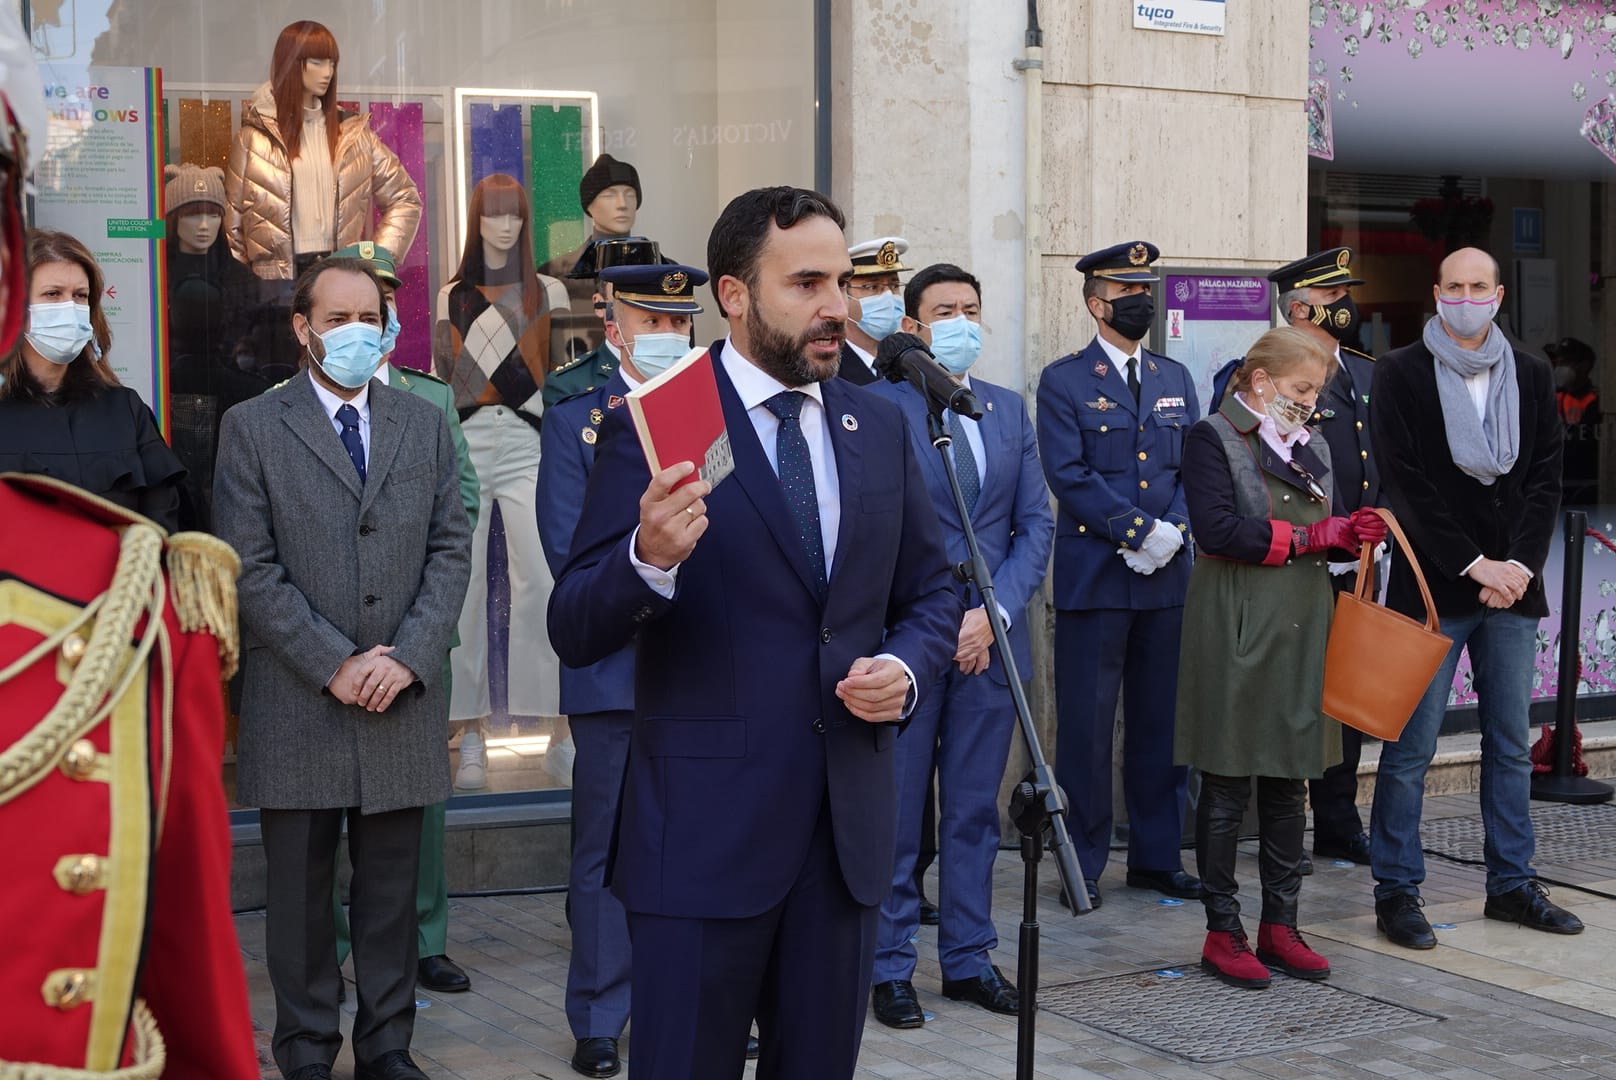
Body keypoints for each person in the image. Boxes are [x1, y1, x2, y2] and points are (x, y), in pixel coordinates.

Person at [548, 186, 957, 1080]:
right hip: (701, 843)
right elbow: (575, 624)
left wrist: (906, 666)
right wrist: (645, 559)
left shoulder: (877, 421)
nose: (836, 308)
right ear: (734, 295)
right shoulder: (664, 422)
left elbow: (932, 594)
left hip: (842, 841)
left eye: (840, 282)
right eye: (806, 283)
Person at [0, 14, 260, 1072]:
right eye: (46, 297)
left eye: (76, 299)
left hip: (116, 672)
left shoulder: (121, 411)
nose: (62, 312)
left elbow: (172, 522)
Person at [214, 257, 472, 1080]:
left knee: (392, 895)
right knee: (297, 900)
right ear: (302, 328)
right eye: (338, 318)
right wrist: (334, 663)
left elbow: (451, 547)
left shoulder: (422, 421)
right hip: (301, 696)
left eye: (371, 317)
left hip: (400, 690)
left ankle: (388, 1047)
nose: (357, 333)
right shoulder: (253, 427)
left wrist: (409, 656)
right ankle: (306, 1049)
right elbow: (249, 568)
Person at [1369, 246, 1581, 950]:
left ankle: (1512, 885)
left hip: (1512, 590)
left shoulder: (1532, 371)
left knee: (1511, 745)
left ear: (1497, 295)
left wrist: (1517, 563)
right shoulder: (1399, 372)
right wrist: (1475, 564)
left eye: (1478, 286)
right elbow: (1406, 484)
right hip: (1434, 586)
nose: (1466, 296)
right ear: (1437, 293)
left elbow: (1546, 476)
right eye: (1454, 286)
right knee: (1410, 748)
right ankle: (1398, 890)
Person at [865, 262, 1053, 1028]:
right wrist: (948, 620)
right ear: (912, 327)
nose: (961, 321)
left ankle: (969, 959)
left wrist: (995, 612)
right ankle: (888, 966)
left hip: (992, 646)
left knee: (974, 812)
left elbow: (1036, 523)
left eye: (971, 308)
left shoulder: (1007, 411)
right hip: (911, 640)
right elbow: (874, 535)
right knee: (900, 812)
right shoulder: (877, 410)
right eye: (945, 310)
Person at [1175, 326, 1386, 989]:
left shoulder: (1311, 443)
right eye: (1301, 388)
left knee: (1292, 780)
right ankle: (1222, 929)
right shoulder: (1213, 437)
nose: (1310, 402)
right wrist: (1311, 536)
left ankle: (1280, 926)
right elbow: (1219, 531)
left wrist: (1352, 533)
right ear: (1261, 381)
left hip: (1302, 622)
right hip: (1236, 616)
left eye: (1317, 391)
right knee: (1229, 780)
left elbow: (1332, 525)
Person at [538, 260, 705, 1078]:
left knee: (698, 846)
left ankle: (692, 1002)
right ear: (614, 330)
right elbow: (575, 557)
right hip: (614, 668)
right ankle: (600, 1013)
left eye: (681, 325)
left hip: (706, 668)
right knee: (604, 850)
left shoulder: (716, 419)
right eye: (653, 324)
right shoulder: (579, 423)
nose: (669, 338)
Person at [323, 241, 481, 997]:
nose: (365, 322)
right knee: (324, 799)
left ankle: (425, 938)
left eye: (379, 304)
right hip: (325, 641)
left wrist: (412, 628)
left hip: (417, 633)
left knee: (419, 798)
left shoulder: (432, 399)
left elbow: (465, 509)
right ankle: (333, 944)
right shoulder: (291, 405)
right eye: (349, 308)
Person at [1036, 240, 1202, 909]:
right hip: (1096, 578)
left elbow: (1194, 467)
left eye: (1146, 291)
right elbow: (1067, 474)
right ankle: (1084, 860)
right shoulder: (1065, 380)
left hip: (1166, 580)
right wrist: (1136, 531)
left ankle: (1158, 856)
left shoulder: (1175, 377)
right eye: (1126, 293)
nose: (1140, 302)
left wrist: (1172, 533)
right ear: (1094, 302)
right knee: (1086, 727)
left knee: (1162, 726)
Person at [1215, 247, 1381, 872]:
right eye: (1335, 299)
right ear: (1301, 306)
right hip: (1291, 561)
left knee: (1346, 700)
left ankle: (1339, 821)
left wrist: (1373, 528)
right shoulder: (1254, 378)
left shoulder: (1363, 372)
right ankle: (1278, 825)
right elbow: (1243, 469)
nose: (1347, 309)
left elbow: (1380, 461)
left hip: (1354, 564)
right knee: (1284, 694)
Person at [436, 173, 567, 791]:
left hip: (528, 442)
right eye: (492, 215)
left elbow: (562, 381)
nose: (505, 225)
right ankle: (470, 737)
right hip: (467, 441)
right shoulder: (451, 296)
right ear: (476, 221)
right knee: (460, 588)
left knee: (539, 578)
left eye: (514, 214)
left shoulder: (550, 292)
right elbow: (444, 381)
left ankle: (559, 730)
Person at [0, 229, 186, 532]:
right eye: (52, 294)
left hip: (119, 579)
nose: (69, 308)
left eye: (80, 296)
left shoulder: (124, 410)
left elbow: (161, 521)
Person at [165, 162, 270, 529]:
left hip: (229, 402)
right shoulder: (153, 273)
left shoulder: (242, 280)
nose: (205, 225)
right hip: (168, 400)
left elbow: (253, 347)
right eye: (194, 215)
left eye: (213, 214)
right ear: (175, 218)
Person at [542, 154, 645, 367]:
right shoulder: (554, 276)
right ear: (589, 206)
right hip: (577, 391)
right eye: (609, 195)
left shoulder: (665, 271)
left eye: (630, 194)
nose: (622, 204)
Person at [840, 236, 909, 384]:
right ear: (843, 294)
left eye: (894, 286)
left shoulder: (908, 366)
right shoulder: (829, 366)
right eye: (872, 287)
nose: (888, 297)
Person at [1548, 336, 1599, 505]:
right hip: (1557, 484)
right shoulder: (1555, 398)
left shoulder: (1596, 402)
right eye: (1559, 362)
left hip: (1585, 485)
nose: (1561, 368)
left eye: (1567, 362)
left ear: (1584, 366)